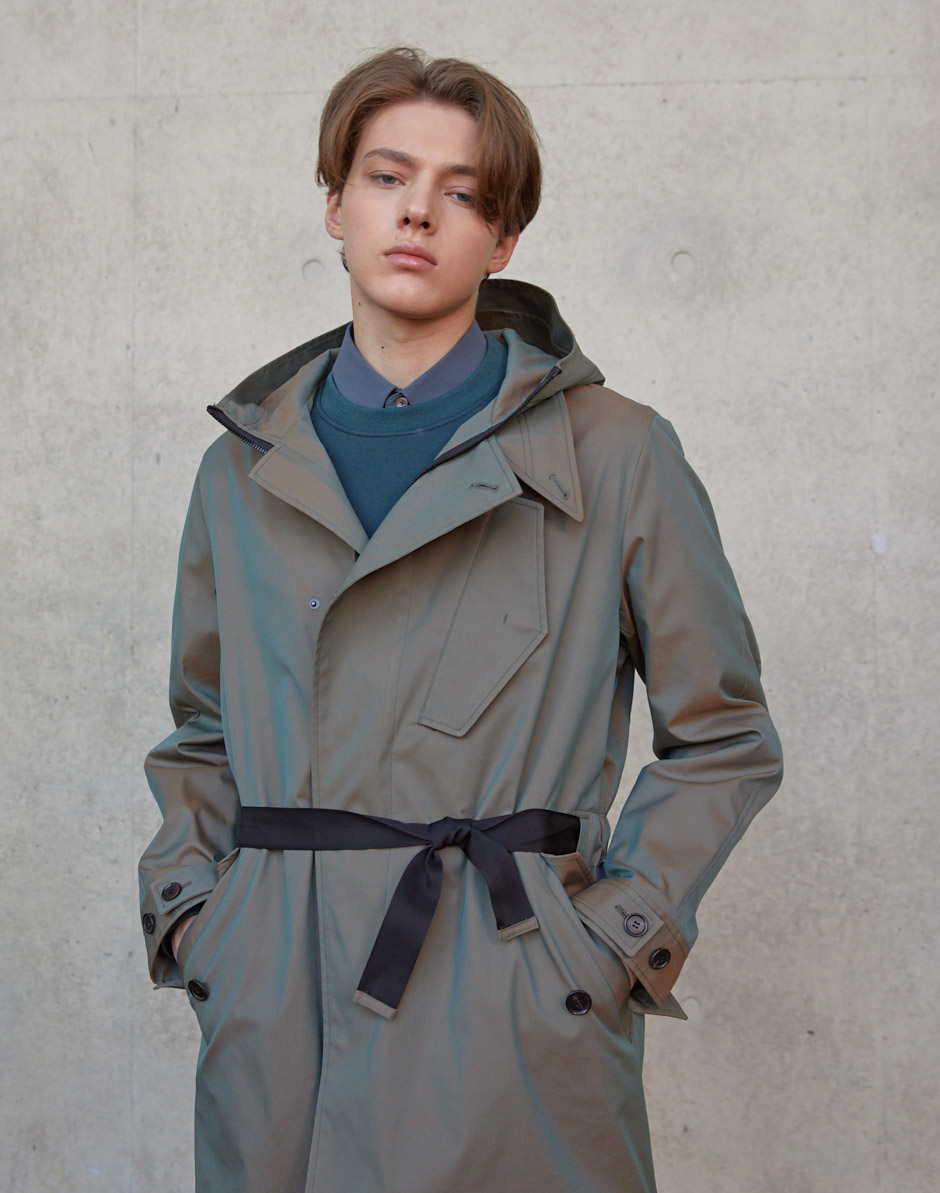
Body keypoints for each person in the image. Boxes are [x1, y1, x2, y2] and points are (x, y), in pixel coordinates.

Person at [139, 45, 783, 1193]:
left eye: (463, 190)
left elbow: (723, 734)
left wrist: (609, 936)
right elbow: (203, 729)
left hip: (512, 1013)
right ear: (335, 204)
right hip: (279, 1013)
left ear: (504, 237)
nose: (417, 212)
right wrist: (201, 919)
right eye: (387, 176)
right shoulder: (239, 471)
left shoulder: (616, 452)